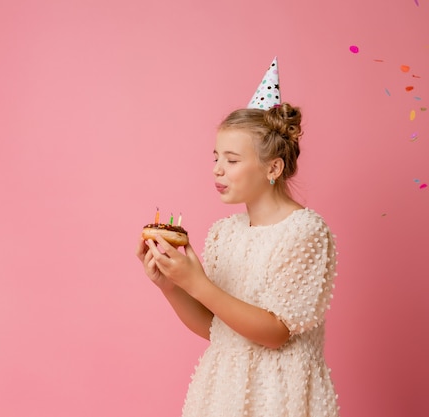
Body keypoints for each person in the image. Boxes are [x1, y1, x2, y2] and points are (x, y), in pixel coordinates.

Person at [136, 59, 339, 417]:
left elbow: (276, 333)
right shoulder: (224, 233)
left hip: (278, 397)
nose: (217, 169)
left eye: (231, 160)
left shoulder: (305, 232)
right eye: (216, 157)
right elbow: (217, 329)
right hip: (222, 394)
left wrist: (196, 283)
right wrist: (170, 285)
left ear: (272, 168)